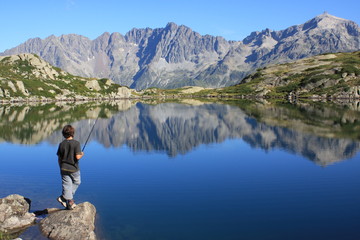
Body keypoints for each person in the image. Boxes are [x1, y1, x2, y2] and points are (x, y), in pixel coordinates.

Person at [56, 125, 84, 210]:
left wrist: (60, 167)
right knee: (77, 182)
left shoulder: (61, 144)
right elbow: (78, 157)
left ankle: (67, 200)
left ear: (64, 134)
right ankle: (65, 198)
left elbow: (59, 158)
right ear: (73, 133)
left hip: (63, 168)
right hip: (74, 169)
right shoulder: (76, 143)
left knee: (67, 185)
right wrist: (82, 154)